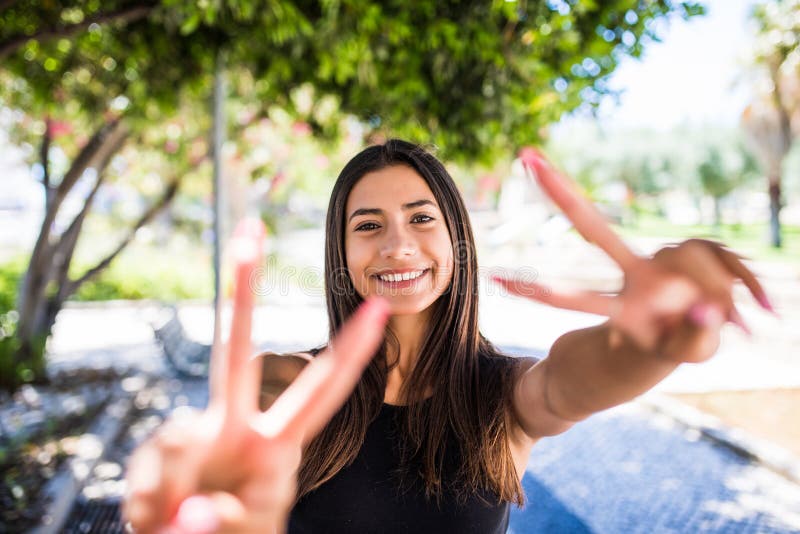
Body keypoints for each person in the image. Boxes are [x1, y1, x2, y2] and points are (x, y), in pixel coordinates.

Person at [124, 139, 770, 534]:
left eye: (421, 218)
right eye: (368, 225)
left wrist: (660, 336)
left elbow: (581, 374)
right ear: (341, 251)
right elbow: (221, 495)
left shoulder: (507, 396)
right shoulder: (283, 386)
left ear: (456, 240)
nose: (398, 244)